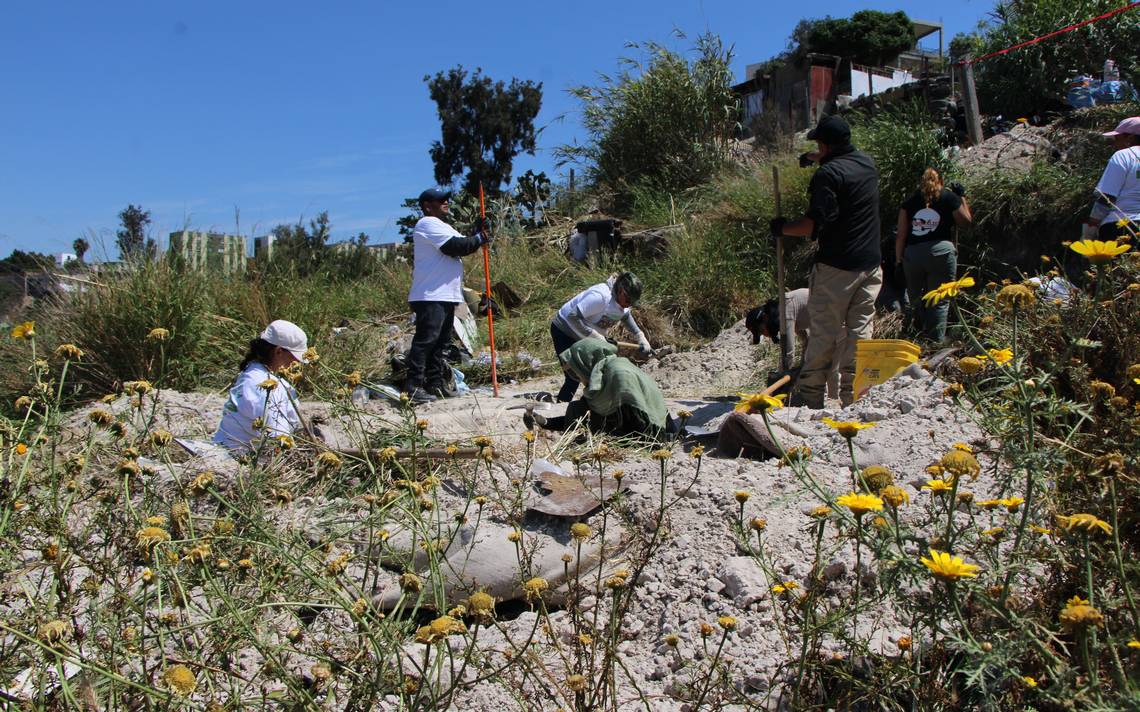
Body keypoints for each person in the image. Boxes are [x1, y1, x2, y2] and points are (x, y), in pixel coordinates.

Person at [771, 115, 882, 409]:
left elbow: (812, 224)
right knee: (860, 335)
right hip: (871, 267)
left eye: (819, 144)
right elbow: (839, 161)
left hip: (837, 267)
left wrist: (781, 228)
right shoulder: (866, 164)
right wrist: (812, 157)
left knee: (823, 336)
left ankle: (810, 401)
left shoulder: (828, 175)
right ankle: (854, 398)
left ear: (825, 144)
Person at [406, 188, 491, 404]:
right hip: (430, 295)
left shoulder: (444, 226)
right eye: (440, 200)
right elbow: (455, 247)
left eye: (446, 199)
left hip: (444, 295)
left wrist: (476, 232)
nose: (446, 202)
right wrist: (480, 237)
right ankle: (413, 387)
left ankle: (435, 383)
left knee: (441, 342)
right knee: (426, 341)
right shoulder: (427, 224)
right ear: (427, 205)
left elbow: (464, 242)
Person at [525, 339, 670, 441]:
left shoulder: (618, 373)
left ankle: (574, 441)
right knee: (578, 407)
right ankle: (551, 426)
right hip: (645, 427)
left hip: (649, 434)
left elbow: (634, 419)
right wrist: (547, 423)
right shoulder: (607, 370)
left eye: (575, 371)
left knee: (576, 408)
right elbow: (587, 412)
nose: (576, 376)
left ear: (585, 363)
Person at [895, 168, 972, 342]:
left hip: (913, 255)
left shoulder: (910, 201)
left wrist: (899, 261)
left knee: (914, 300)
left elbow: (901, 234)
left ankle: (913, 339)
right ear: (941, 181)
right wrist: (962, 197)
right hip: (941, 253)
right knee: (940, 300)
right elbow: (966, 222)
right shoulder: (949, 197)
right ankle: (935, 342)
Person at [550, 272, 652, 402]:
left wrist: (640, 335)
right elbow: (572, 316)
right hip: (564, 330)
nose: (628, 304)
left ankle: (590, 406)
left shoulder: (623, 302)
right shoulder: (600, 297)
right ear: (621, 291)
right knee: (573, 376)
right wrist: (595, 335)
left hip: (584, 335)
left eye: (632, 303)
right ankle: (563, 406)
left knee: (597, 373)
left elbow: (626, 316)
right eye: (627, 301)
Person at [214, 320, 309, 454]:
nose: (298, 362)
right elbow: (278, 439)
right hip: (241, 457)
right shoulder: (269, 388)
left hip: (221, 447)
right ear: (279, 351)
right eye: (295, 356)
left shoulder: (250, 373)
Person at [744, 288, 841, 399]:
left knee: (829, 362)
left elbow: (789, 353)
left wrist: (779, 381)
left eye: (761, 331)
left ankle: (834, 400)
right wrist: (800, 368)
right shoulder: (784, 310)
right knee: (813, 364)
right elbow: (806, 339)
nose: (765, 335)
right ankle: (827, 397)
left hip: (835, 318)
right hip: (828, 318)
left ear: (765, 318)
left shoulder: (785, 311)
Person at [1083, 117, 1140, 241]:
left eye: (1117, 138)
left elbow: (1107, 197)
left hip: (1123, 227)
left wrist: (1091, 227)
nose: (1114, 143)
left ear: (1129, 138)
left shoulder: (1124, 155)